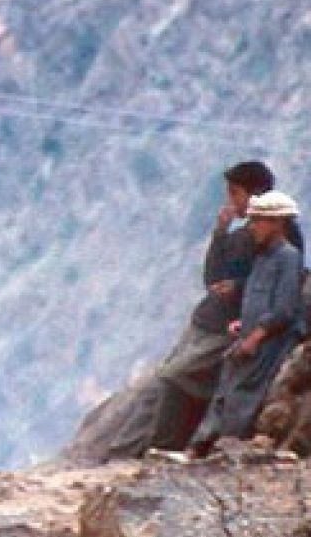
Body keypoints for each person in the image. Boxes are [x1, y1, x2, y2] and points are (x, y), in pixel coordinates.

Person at [91, 161, 291, 462]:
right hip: (207, 321)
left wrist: (239, 292)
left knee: (174, 379)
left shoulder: (278, 240)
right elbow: (212, 278)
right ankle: (122, 453)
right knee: (160, 385)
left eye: (236, 194)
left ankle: (158, 449)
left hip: (227, 328)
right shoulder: (242, 235)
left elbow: (276, 290)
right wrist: (220, 234)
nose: (231, 202)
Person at [186, 190, 305, 456]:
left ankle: (226, 448)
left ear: (277, 223)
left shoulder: (288, 257)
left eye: (259, 221)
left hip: (269, 343)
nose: (252, 228)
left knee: (243, 393)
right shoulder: (262, 258)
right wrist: (242, 324)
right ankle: (197, 449)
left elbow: (284, 309)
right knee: (224, 390)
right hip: (251, 335)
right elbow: (259, 298)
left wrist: (255, 337)